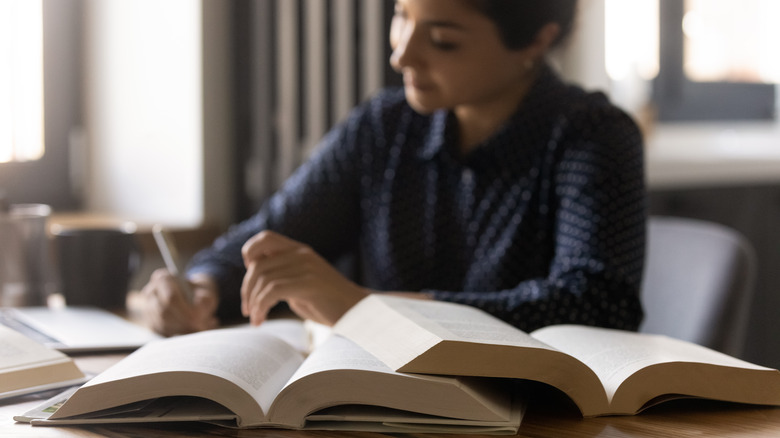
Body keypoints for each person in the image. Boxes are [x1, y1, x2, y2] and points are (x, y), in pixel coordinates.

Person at [140, 0, 646, 337]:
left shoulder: (593, 135)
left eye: (443, 39)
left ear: (536, 42)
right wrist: (202, 286)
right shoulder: (384, 126)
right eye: (402, 15)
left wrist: (370, 310)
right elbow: (274, 232)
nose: (401, 53)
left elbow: (597, 303)